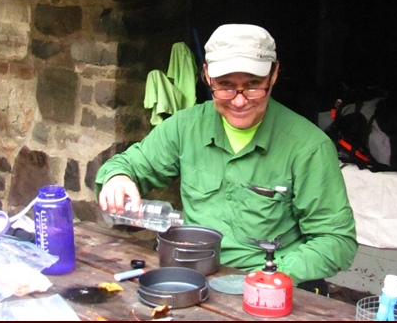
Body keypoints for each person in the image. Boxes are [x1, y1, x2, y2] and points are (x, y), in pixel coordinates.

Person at [95, 23, 358, 296]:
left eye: (253, 86)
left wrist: (275, 274)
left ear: (274, 74)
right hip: (192, 278)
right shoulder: (185, 127)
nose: (240, 101)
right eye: (226, 86)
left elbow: (336, 241)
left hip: (271, 289)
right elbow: (124, 166)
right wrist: (118, 178)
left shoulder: (308, 147)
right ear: (207, 76)